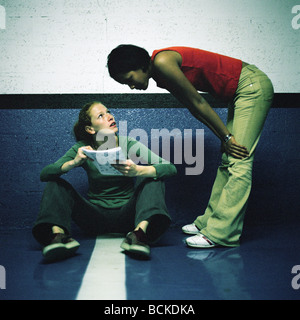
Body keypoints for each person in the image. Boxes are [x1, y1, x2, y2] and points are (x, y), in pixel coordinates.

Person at [107, 45, 274, 248]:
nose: (131, 87)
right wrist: (224, 139)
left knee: (240, 159)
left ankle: (222, 233)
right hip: (240, 91)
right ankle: (209, 221)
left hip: (250, 87)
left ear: (141, 66)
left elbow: (198, 101)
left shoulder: (162, 63)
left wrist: (228, 137)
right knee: (228, 158)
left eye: (129, 80)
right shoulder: (159, 74)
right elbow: (194, 108)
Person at [32, 101, 177, 261]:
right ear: (90, 129)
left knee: (152, 176)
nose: (109, 116)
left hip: (128, 217)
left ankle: (139, 235)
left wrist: (138, 170)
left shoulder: (127, 143)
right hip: (95, 218)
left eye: (108, 112)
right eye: (101, 115)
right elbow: (45, 174)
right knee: (55, 182)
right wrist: (73, 163)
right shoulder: (83, 148)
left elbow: (169, 168)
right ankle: (58, 237)